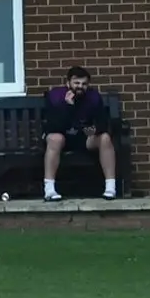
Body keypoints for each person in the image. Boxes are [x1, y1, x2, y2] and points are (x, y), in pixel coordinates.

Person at [42, 66, 117, 200]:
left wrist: (94, 130)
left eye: (84, 84)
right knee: (55, 139)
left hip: (84, 137)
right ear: (68, 83)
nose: (80, 87)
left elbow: (103, 123)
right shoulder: (55, 96)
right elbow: (52, 126)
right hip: (61, 136)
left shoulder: (93, 98)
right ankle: (49, 189)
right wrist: (68, 106)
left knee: (104, 138)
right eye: (76, 83)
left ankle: (110, 188)